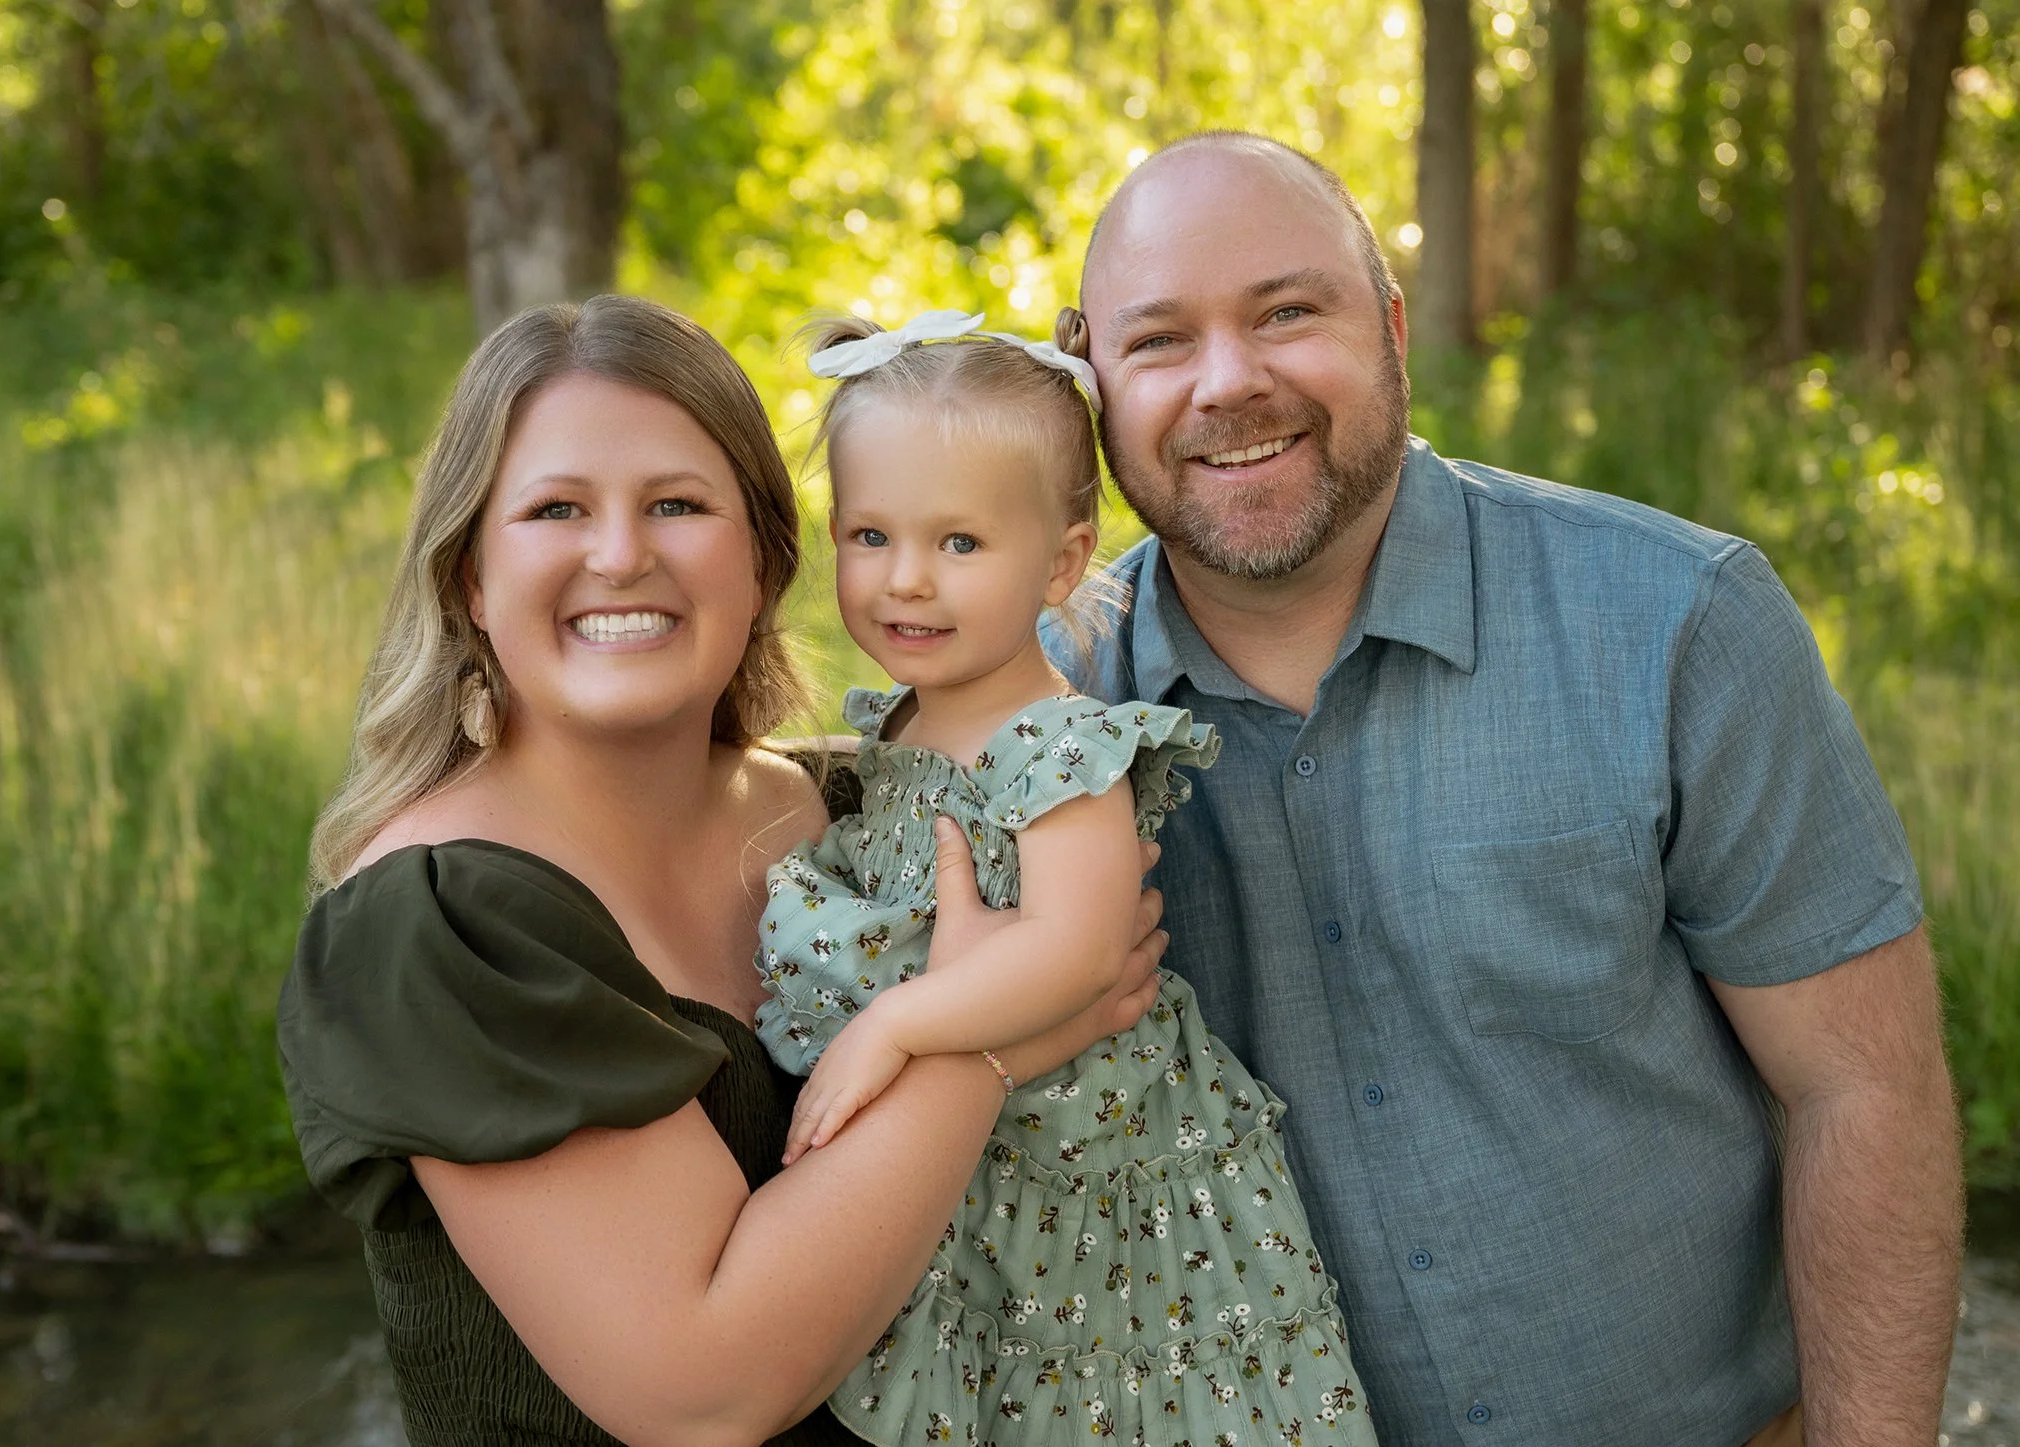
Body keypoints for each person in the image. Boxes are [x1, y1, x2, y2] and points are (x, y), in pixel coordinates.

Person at [1056, 131, 1962, 1447]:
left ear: (1392, 327)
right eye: (1157, 341)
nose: (1227, 382)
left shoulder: (1673, 624)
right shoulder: (1041, 721)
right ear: (1090, 373)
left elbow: (1862, 1090)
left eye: (1286, 312)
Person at [275, 294, 1169, 1447]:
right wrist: (983, 1041)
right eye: (555, 508)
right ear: (470, 583)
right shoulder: (437, 921)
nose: (619, 554)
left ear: (761, 563)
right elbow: (700, 1393)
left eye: (677, 504)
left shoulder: (870, 799)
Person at [750, 310, 1378, 1446]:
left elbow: (1077, 946)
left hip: (1107, 1188)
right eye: (868, 536)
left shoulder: (1057, 741)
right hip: (988, 1174)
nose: (905, 582)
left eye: (958, 545)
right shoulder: (902, 724)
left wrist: (894, 1026)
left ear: (1062, 559)